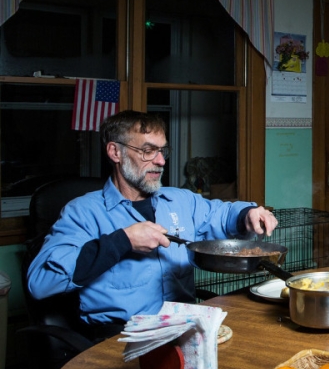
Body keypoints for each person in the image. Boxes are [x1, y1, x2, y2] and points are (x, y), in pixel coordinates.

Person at [27, 110, 278, 341]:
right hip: (121, 336)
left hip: (183, 328)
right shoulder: (83, 212)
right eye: (148, 151)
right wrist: (122, 241)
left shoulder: (179, 200)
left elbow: (222, 213)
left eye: (162, 151)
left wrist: (248, 213)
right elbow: (41, 283)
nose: (161, 161)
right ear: (115, 152)